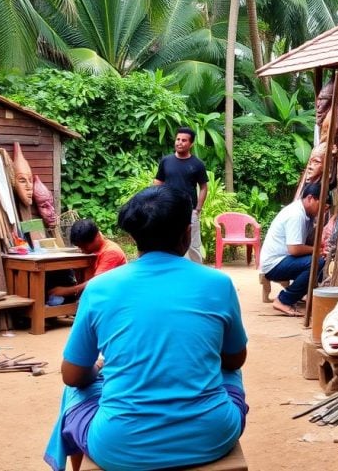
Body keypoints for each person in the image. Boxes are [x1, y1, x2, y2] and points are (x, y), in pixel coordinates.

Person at [43, 186, 248, 471]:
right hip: (212, 436)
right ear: (187, 233)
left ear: (133, 237)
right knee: (230, 369)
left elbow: (72, 375)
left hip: (118, 446)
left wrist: (99, 370)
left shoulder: (100, 288)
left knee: (76, 390)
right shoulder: (218, 283)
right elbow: (235, 360)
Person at [260, 181, 330, 317]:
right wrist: (316, 250)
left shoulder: (306, 215)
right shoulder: (296, 215)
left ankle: (301, 295)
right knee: (317, 262)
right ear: (310, 198)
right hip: (274, 264)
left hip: (283, 260)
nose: (322, 210)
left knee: (318, 260)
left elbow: (307, 241)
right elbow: (294, 249)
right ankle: (283, 300)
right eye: (321, 205)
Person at [154, 127, 208, 263]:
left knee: (193, 244)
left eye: (184, 140)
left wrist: (198, 209)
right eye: (178, 139)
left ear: (191, 144)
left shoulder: (197, 164)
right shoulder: (166, 161)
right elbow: (158, 181)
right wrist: (156, 201)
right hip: (168, 209)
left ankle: (196, 273)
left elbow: (203, 187)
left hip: (190, 210)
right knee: (167, 240)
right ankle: (169, 269)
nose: (179, 143)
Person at [47, 219, 127, 301]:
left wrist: (66, 291)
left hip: (111, 298)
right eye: (80, 247)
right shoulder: (92, 251)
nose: (82, 250)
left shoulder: (111, 252)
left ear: (97, 237)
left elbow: (97, 283)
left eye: (84, 247)